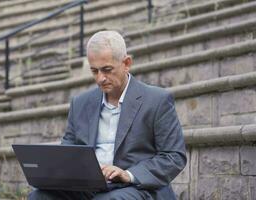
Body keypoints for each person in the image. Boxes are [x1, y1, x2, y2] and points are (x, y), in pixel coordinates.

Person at [28, 31, 187, 200]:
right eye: (94, 71)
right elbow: (69, 151)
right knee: (39, 196)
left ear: (126, 63)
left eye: (107, 70)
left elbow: (173, 157)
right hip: (87, 187)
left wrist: (128, 174)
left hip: (135, 187)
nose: (100, 78)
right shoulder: (80, 103)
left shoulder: (157, 100)